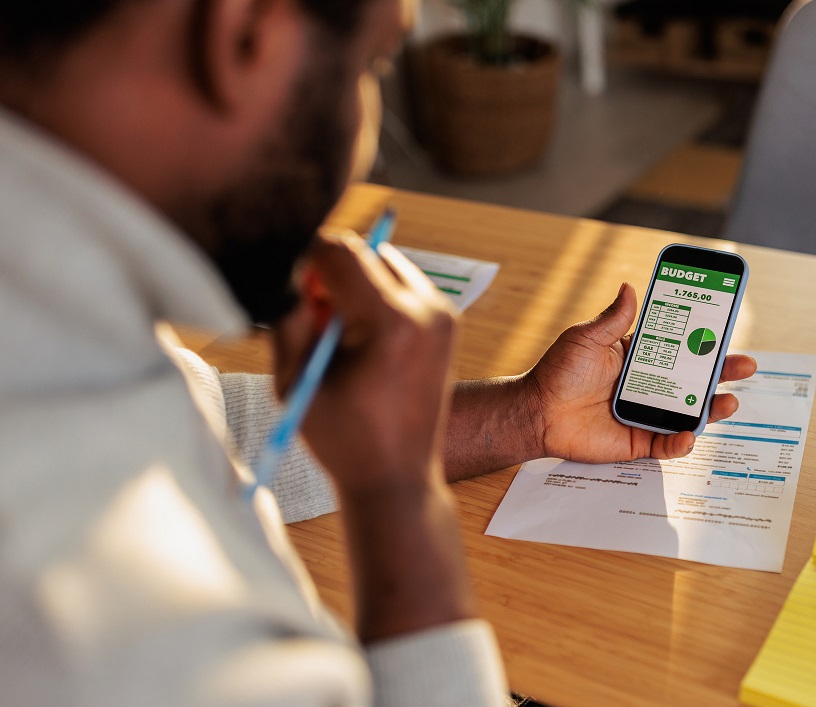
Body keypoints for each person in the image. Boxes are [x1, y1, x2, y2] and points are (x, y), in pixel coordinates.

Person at [0, 0, 757, 704]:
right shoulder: (118, 616)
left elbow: (217, 427)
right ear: (245, 38)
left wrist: (526, 415)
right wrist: (398, 505)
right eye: (372, 65)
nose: (364, 144)